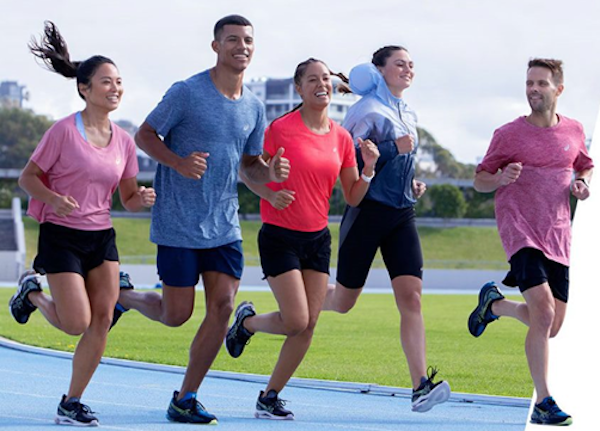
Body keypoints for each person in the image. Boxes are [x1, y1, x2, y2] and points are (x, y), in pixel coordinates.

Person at [111, 15, 289, 425]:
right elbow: (145, 135)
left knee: (223, 305)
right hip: (179, 222)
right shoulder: (187, 93)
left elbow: (249, 167)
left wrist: (270, 174)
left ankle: (186, 396)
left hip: (224, 223)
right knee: (176, 314)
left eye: (247, 40)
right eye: (232, 40)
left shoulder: (254, 107)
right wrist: (177, 162)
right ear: (216, 46)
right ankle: (126, 297)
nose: (241, 46)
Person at [8, 21, 156, 427]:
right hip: (61, 236)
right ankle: (32, 295)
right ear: (84, 88)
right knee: (77, 322)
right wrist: (55, 198)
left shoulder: (124, 142)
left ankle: (71, 402)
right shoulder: (62, 132)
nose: (115, 88)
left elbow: (126, 198)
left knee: (102, 320)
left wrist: (140, 199)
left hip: (101, 238)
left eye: (119, 82)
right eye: (106, 82)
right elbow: (27, 179)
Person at [225, 58, 380, 420]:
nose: (321, 84)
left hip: (317, 239)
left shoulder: (342, 138)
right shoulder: (280, 129)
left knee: (308, 324)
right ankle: (246, 323)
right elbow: (246, 169)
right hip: (279, 235)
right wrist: (267, 192)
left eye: (325, 78)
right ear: (299, 87)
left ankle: (270, 396)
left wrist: (369, 168)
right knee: (296, 320)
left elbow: (353, 196)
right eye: (312, 79)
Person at [321, 46, 451, 413]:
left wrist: (411, 184)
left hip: (401, 214)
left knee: (411, 298)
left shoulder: (407, 111)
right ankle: (256, 319)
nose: (408, 69)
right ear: (378, 70)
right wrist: (393, 148)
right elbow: (343, 156)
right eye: (399, 64)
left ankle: (419, 387)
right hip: (367, 212)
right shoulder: (365, 110)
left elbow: (397, 161)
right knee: (343, 302)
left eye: (411, 64)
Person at [468, 58, 593, 427]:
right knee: (543, 309)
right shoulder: (508, 134)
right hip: (519, 228)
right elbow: (480, 181)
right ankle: (544, 401)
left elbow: (584, 163)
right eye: (529, 83)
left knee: (551, 324)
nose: (533, 90)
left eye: (541, 83)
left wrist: (582, 182)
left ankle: (495, 306)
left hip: (557, 231)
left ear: (558, 89)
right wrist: (502, 177)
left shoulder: (574, 130)